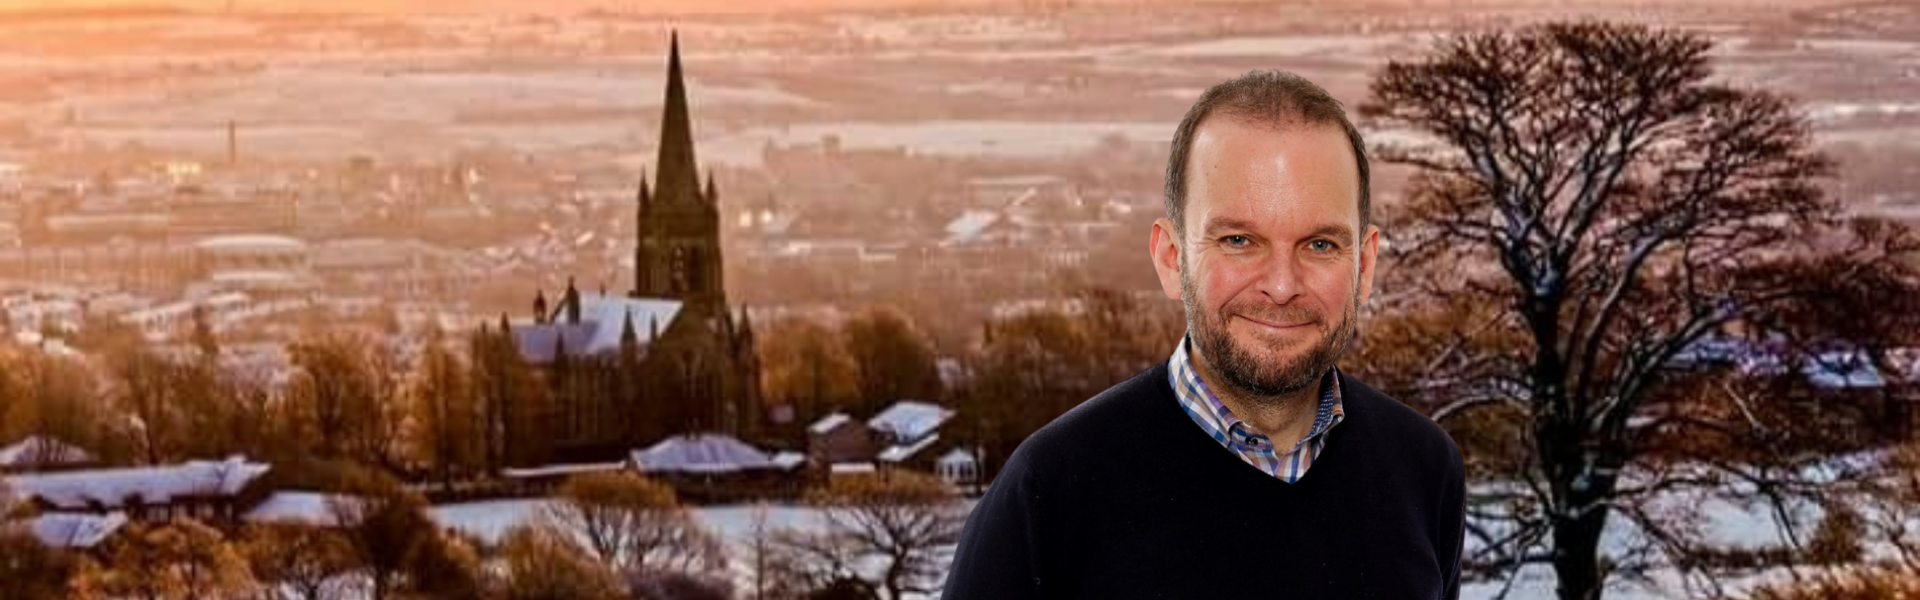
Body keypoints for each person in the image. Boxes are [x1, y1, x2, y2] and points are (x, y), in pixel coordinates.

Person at [940, 69, 1466, 599]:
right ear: (1172, 259)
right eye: (1239, 240)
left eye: (1321, 245)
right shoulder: (1050, 493)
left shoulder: (1423, 470)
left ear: (1366, 263)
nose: (1282, 286)